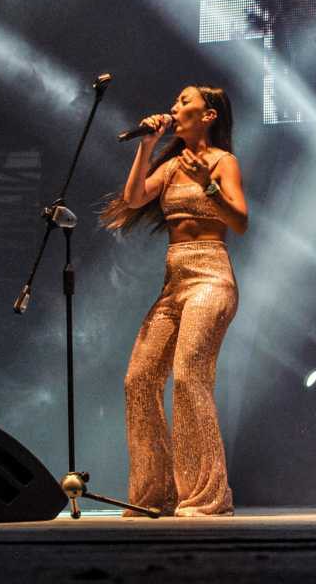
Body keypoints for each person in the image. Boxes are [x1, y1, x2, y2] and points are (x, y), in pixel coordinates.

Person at [102, 85, 248, 516]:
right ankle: (154, 495)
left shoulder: (223, 162)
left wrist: (209, 187)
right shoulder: (170, 167)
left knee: (188, 376)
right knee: (139, 379)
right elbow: (134, 199)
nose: (174, 107)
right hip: (174, 281)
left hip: (211, 276)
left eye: (185, 101)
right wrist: (147, 146)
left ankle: (206, 496)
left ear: (209, 116)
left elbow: (240, 222)